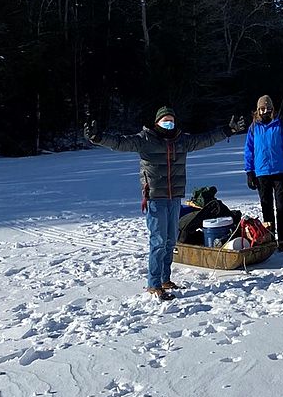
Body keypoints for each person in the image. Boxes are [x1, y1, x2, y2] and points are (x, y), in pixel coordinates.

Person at [83, 106, 245, 301]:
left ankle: (165, 279)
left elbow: (206, 139)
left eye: (171, 120)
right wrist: (97, 137)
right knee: (158, 242)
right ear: (157, 122)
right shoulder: (145, 140)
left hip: (174, 197)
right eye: (165, 120)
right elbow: (120, 143)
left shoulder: (181, 140)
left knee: (170, 241)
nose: (169, 123)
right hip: (155, 198)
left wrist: (229, 130)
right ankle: (154, 283)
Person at [244, 95, 283, 252]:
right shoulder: (253, 128)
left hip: (280, 171)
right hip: (261, 173)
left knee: (281, 206)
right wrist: (249, 172)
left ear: (272, 110)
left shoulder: (280, 125)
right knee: (266, 206)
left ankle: (282, 238)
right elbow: (249, 151)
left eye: (268, 108)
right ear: (257, 110)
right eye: (262, 108)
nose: (265, 111)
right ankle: (269, 236)